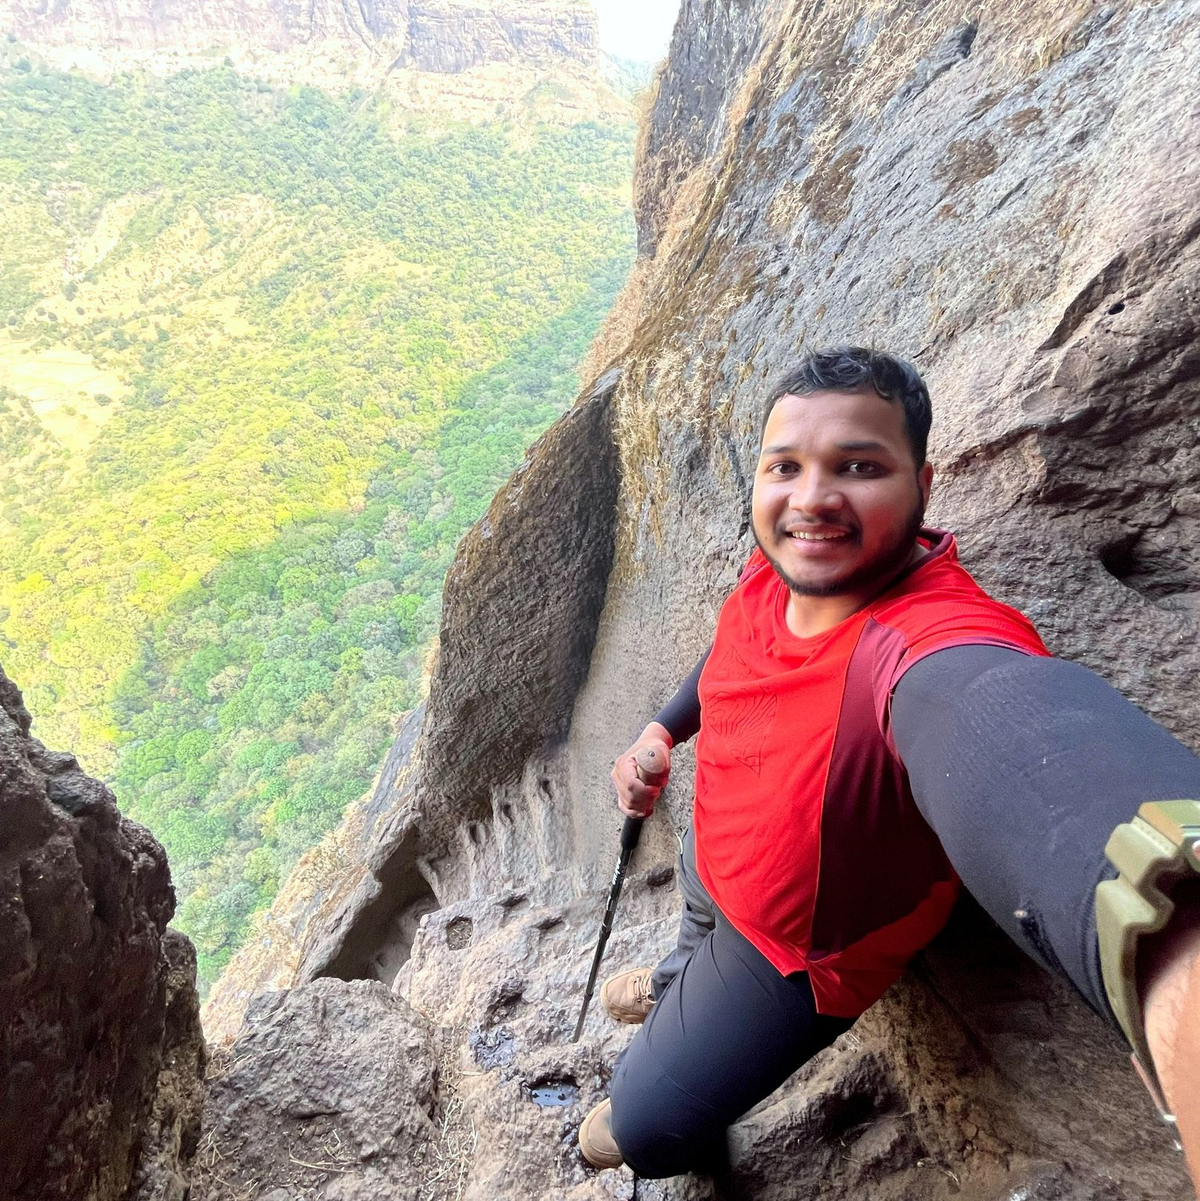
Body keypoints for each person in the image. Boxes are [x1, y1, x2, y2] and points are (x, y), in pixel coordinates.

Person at [576, 346, 1200, 1186]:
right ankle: (672, 992)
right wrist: (660, 729)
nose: (811, 498)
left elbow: (1020, 740)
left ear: (923, 483)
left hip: (791, 956)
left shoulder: (920, 644)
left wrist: (1174, 932)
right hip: (711, 858)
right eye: (785, 467)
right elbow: (726, 651)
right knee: (689, 946)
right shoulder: (779, 567)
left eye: (859, 466)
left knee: (641, 1133)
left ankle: (661, 1054)